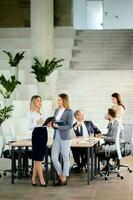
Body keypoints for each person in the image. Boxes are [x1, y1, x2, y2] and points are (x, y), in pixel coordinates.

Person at [50, 93, 73, 186]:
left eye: (59, 99)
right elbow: (54, 123)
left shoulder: (69, 111)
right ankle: (61, 174)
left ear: (64, 100)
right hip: (56, 136)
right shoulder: (56, 110)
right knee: (54, 157)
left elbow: (70, 125)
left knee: (65, 157)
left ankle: (64, 177)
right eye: (58, 99)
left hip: (65, 137)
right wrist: (51, 124)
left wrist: (58, 127)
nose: (58, 101)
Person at [28, 95, 48, 187]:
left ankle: (33, 178)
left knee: (38, 159)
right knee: (38, 159)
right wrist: (36, 122)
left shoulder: (41, 113)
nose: (40, 102)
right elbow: (29, 127)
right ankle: (41, 179)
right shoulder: (30, 113)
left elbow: (43, 124)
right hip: (37, 134)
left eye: (40, 101)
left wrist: (48, 124)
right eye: (38, 101)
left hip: (44, 133)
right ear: (34, 102)